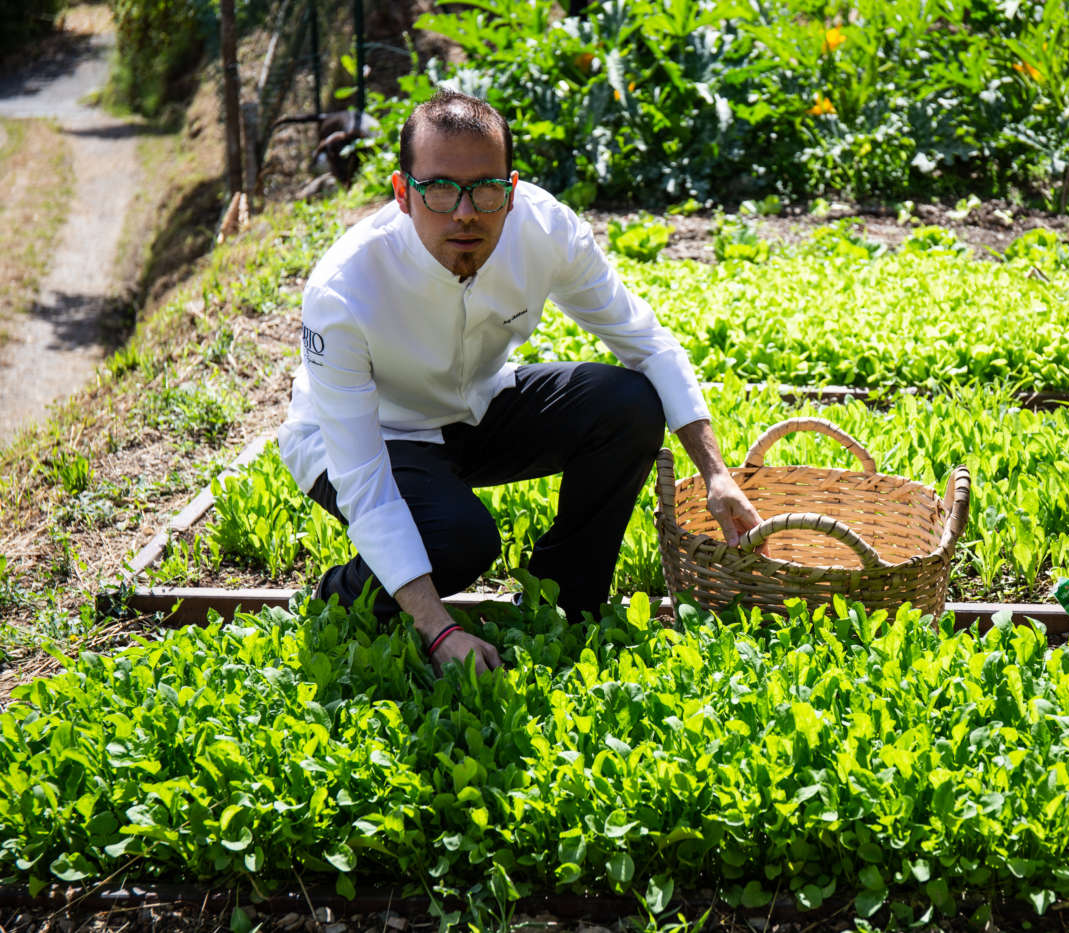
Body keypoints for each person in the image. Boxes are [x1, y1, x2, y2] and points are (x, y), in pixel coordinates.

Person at [277, 91, 760, 675]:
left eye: (485, 189)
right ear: (403, 194)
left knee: (627, 403)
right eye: (438, 189)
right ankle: (341, 594)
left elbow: (646, 340)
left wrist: (716, 474)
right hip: (374, 437)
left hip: (477, 408)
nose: (464, 213)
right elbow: (364, 480)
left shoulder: (544, 227)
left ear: (510, 189)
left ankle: (566, 597)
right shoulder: (344, 290)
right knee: (461, 542)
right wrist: (438, 629)